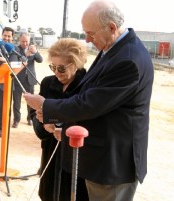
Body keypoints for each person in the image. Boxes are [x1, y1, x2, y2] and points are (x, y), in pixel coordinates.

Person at [24, 1, 154, 200]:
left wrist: (45, 105)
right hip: (98, 158)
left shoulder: (128, 59)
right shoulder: (114, 49)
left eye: (91, 33)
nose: (86, 38)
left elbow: (89, 103)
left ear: (111, 27)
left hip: (111, 165)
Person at [31, 38, 88, 201]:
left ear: (76, 64)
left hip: (76, 157)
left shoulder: (88, 85)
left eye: (61, 68)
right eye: (53, 67)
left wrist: (64, 128)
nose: (56, 72)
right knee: (48, 194)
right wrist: (43, 123)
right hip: (50, 152)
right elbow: (35, 114)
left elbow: (88, 117)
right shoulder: (48, 83)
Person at [12, 32, 43, 128]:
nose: (25, 43)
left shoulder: (32, 48)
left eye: (26, 41)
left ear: (29, 41)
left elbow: (40, 60)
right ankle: (16, 120)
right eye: (23, 41)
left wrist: (35, 52)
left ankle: (30, 118)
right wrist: (25, 55)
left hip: (30, 79)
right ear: (19, 40)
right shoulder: (15, 49)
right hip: (18, 79)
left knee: (31, 101)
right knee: (16, 102)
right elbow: (14, 63)